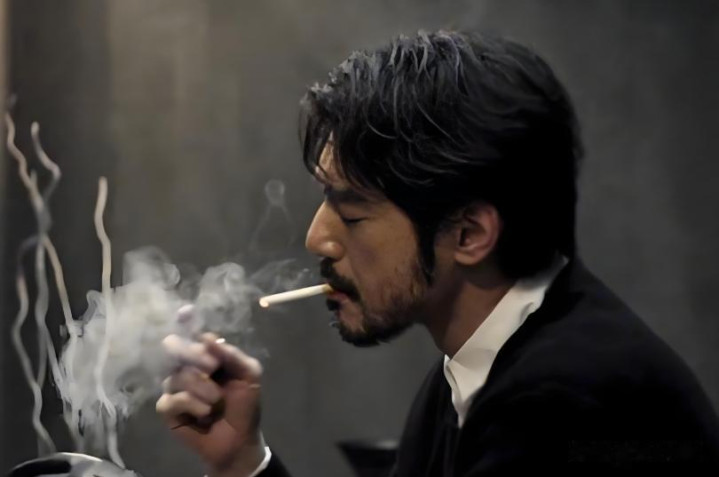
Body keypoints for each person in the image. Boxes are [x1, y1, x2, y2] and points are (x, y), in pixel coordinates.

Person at [155, 30, 719, 476]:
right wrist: (242, 461)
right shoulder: (478, 368)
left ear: (469, 234)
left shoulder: (566, 402)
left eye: (352, 212)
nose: (317, 238)